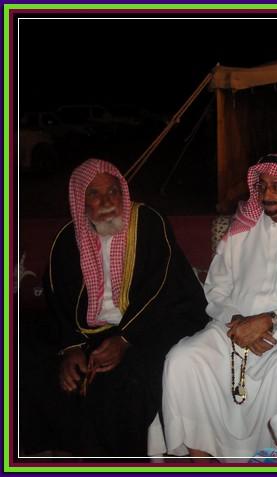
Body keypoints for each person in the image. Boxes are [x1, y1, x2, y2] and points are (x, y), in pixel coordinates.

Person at [20, 158, 209, 456]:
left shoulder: (147, 222)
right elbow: (58, 296)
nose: (108, 202)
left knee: (126, 378)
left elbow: (161, 288)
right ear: (80, 200)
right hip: (93, 329)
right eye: (95, 194)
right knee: (27, 357)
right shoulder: (68, 239)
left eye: (113, 191)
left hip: (152, 323)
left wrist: (125, 338)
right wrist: (70, 347)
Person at [158, 154, 277, 458]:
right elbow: (215, 289)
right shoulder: (240, 230)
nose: (267, 194)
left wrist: (268, 321)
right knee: (182, 359)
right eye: (262, 186)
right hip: (231, 327)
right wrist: (237, 322)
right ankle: (201, 458)